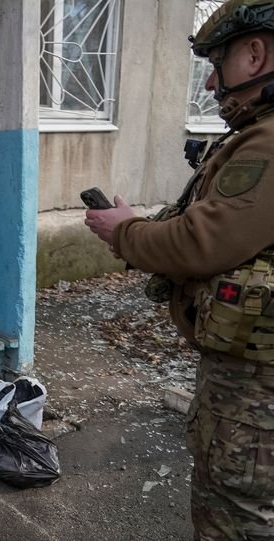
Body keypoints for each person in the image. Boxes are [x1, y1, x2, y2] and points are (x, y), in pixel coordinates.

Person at [85, 1, 274, 538]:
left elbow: (199, 242)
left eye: (217, 63)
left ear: (255, 54)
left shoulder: (269, 140)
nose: (212, 80)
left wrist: (122, 230)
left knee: (235, 509)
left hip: (256, 383)